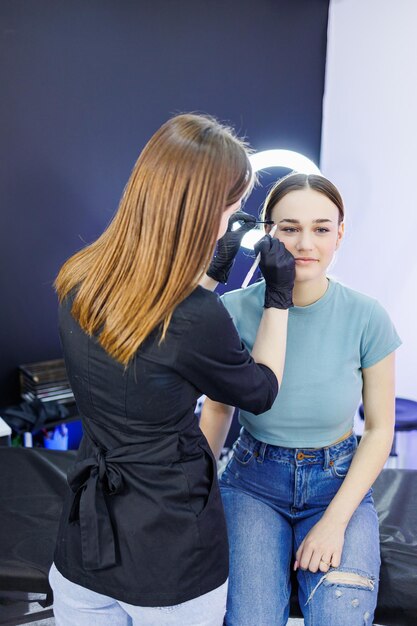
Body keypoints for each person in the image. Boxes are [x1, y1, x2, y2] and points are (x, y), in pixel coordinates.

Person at [48, 113, 296, 626]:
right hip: (169, 560)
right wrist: (278, 297)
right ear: (205, 212)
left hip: (83, 551)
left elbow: (148, 343)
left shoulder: (81, 277)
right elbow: (261, 389)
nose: (232, 220)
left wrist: (208, 277)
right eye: (231, 209)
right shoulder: (195, 319)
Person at [200, 172, 402, 626]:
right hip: (253, 483)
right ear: (267, 233)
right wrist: (193, 491)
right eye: (289, 228)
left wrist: (334, 523)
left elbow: (379, 428)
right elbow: (217, 407)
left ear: (340, 234)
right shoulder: (233, 310)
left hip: (337, 482)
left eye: (321, 228)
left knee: (341, 618)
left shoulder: (367, 316)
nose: (304, 243)